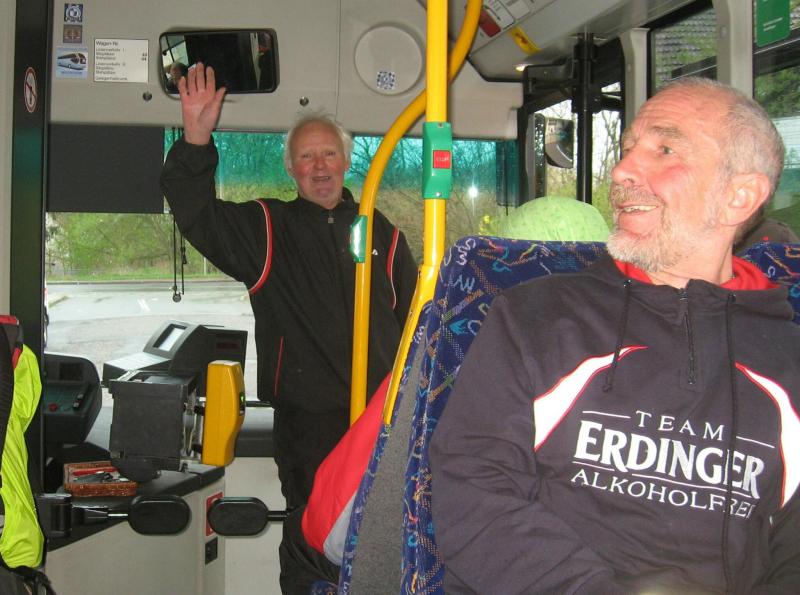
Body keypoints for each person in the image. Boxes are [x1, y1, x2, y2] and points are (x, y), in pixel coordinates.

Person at [430, 77, 800, 593]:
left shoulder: (789, 360)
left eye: (664, 150)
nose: (622, 171)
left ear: (740, 195)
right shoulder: (536, 316)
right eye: (627, 150)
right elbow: (475, 493)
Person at [159, 64, 417, 593]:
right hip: (309, 427)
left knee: (383, 538)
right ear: (292, 170)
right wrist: (196, 139)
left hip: (379, 420)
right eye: (306, 157)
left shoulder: (385, 236)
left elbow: (415, 324)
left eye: (328, 154)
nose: (319, 165)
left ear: (346, 161)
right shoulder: (268, 229)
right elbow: (196, 212)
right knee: (312, 542)